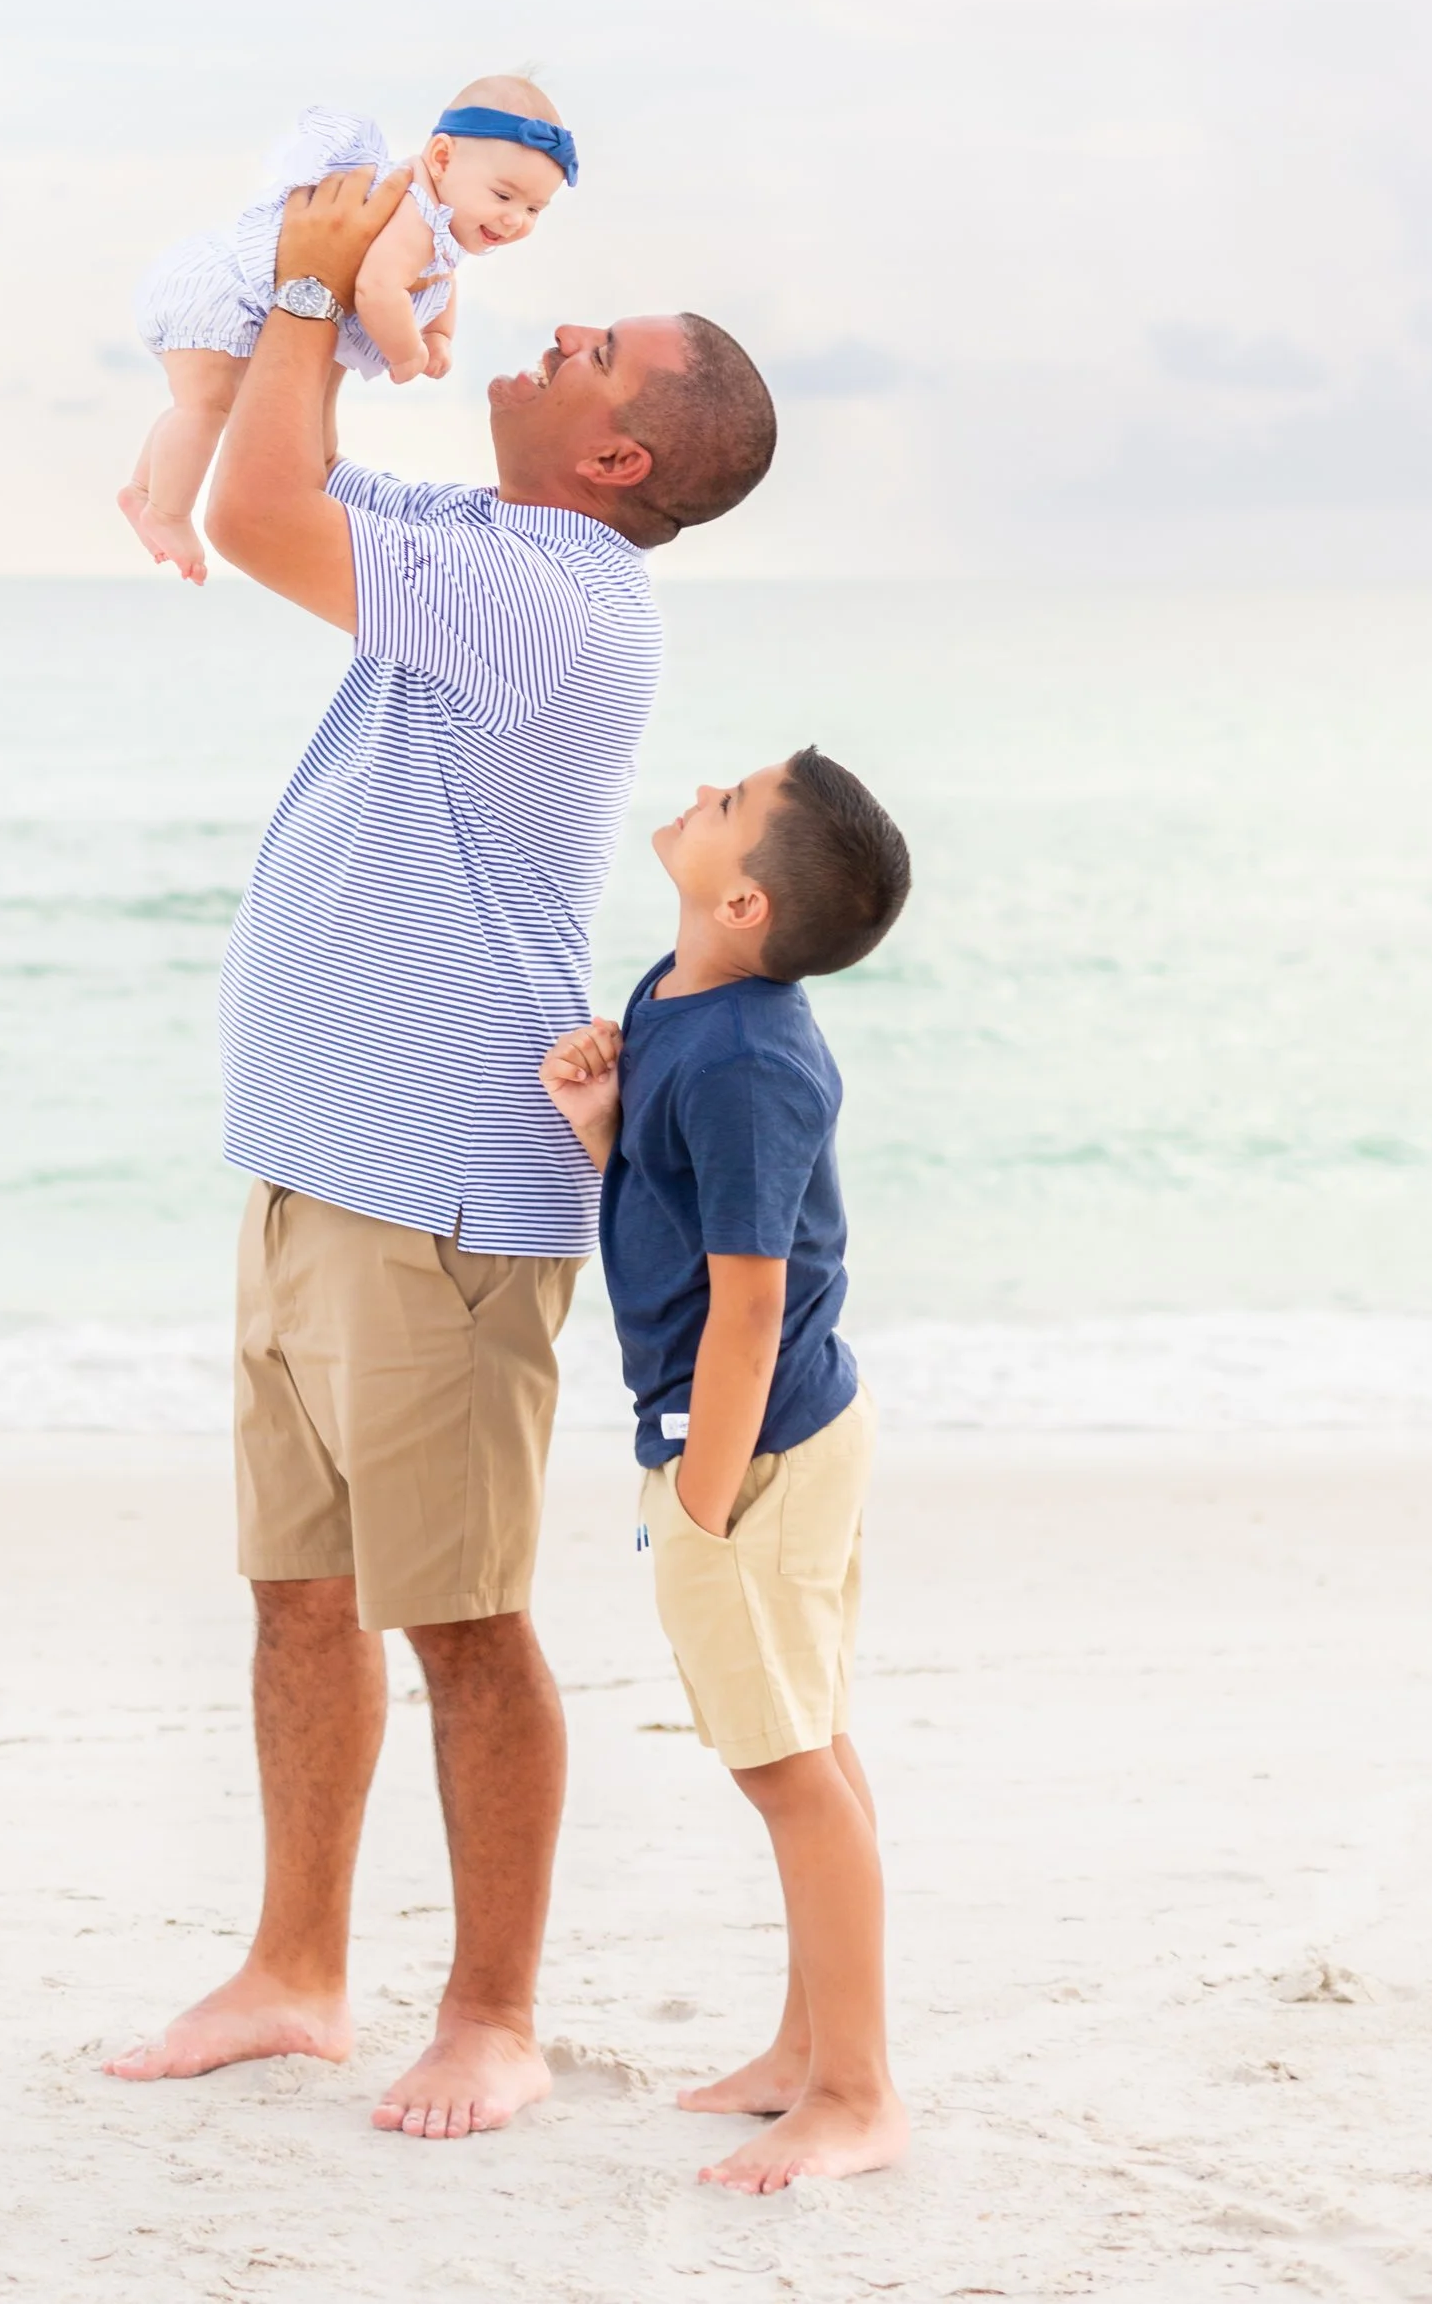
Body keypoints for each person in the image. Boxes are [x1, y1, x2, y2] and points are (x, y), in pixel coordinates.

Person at [108, 160, 778, 2141]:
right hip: (312, 1168)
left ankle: (489, 2013)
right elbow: (244, 468)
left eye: (589, 348)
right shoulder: (481, 531)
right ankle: (295, 1972)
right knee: (294, 1598)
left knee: (461, 1625)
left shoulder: (559, 606)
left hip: (441, 1202)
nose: (548, 328)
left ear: (621, 445)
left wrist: (321, 287)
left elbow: (252, 512)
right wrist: (312, 281)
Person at [539, 746, 913, 2195]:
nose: (701, 786)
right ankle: (803, 2051)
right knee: (809, 1740)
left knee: (785, 1767)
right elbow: (680, 1203)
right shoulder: (671, 995)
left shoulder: (757, 1056)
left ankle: (859, 2089)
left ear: (747, 901)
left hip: (753, 1446)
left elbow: (752, 1298)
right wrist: (604, 1129)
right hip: (767, 1434)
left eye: (730, 800)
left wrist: (703, 1484)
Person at [120, 77, 578, 581]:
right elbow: (378, 289)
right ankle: (167, 512)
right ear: (442, 158)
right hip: (222, 291)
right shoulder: (412, 212)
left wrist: (437, 334)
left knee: (198, 404)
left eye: (534, 209)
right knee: (207, 406)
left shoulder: (441, 225)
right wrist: (406, 353)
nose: (515, 219)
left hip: (228, 293)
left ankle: (143, 491)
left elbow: (441, 278)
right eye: (503, 195)